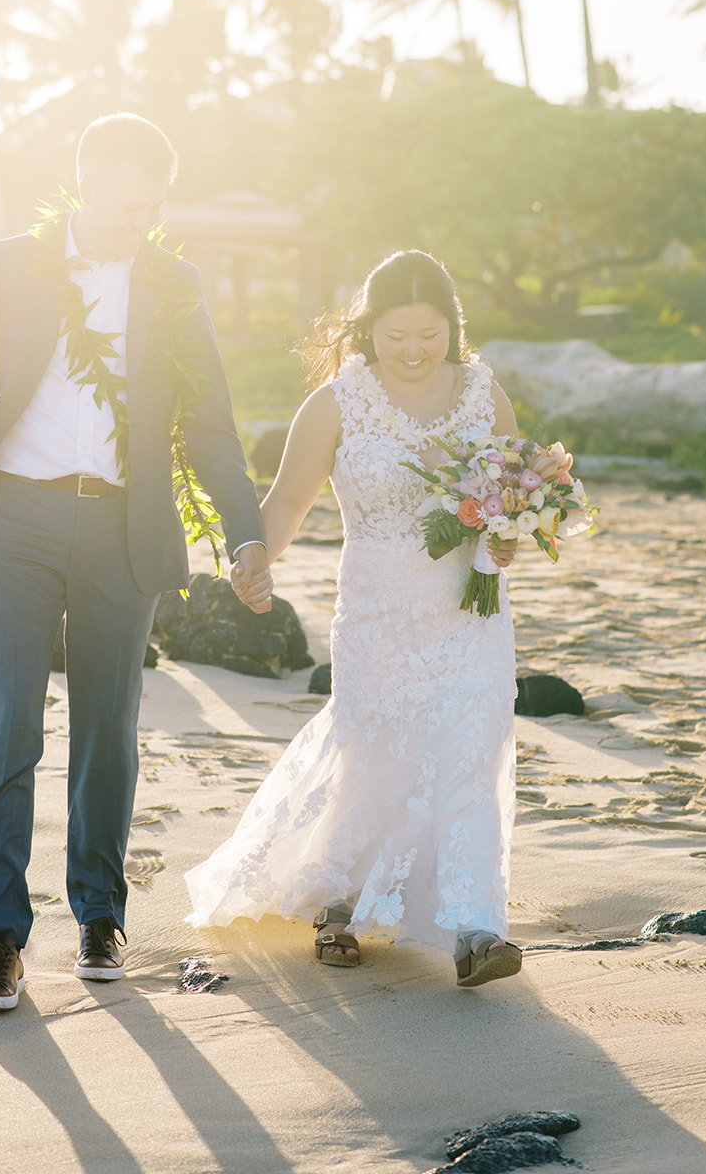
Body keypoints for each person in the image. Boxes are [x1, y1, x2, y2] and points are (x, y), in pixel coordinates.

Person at [0, 113, 273, 1012]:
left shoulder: (174, 283)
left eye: (155, 204)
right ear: (86, 185)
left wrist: (244, 533)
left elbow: (208, 423)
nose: (144, 220)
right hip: (17, 519)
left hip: (125, 528)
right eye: (130, 204)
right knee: (12, 729)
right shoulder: (11, 263)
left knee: (108, 731)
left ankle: (98, 915)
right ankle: (2, 940)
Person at [185, 250, 522, 987]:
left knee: (470, 754)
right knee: (375, 751)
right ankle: (336, 905)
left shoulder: (483, 394)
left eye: (428, 333)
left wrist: (506, 537)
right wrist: (254, 559)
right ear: (368, 330)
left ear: (451, 328)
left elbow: (509, 503)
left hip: (470, 611)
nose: (412, 349)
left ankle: (474, 929)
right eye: (396, 333)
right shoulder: (337, 402)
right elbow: (288, 503)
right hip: (378, 610)